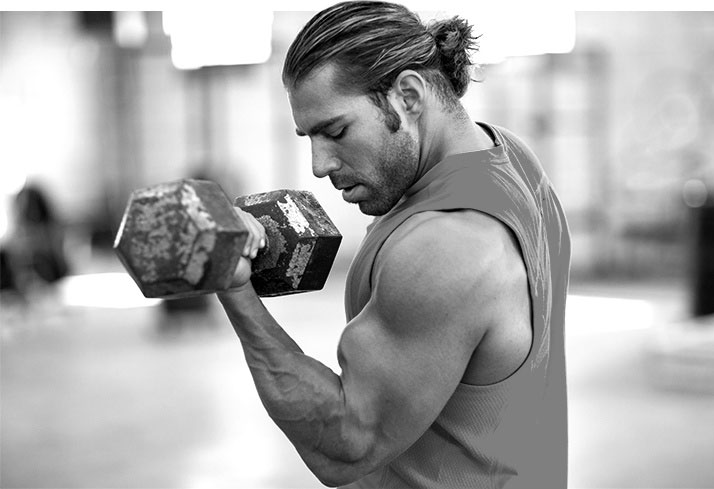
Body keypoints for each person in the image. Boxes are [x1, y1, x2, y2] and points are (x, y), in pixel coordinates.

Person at [217, 2, 571, 487]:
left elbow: (345, 447)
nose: (319, 165)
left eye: (335, 131)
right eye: (308, 137)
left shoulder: (445, 247)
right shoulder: (506, 154)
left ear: (407, 95)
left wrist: (236, 291)